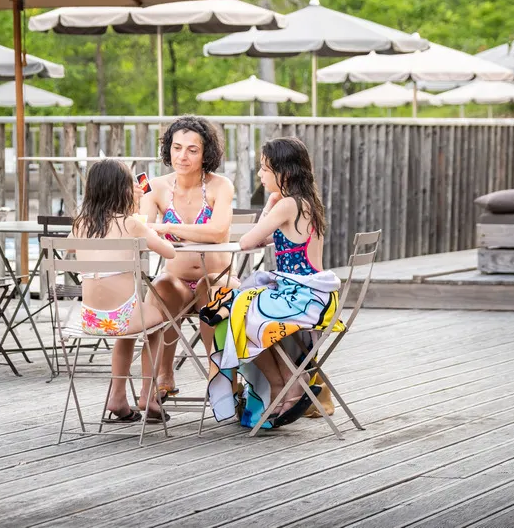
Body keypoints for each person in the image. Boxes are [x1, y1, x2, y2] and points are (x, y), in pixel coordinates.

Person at [200, 137, 342, 430]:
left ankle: (281, 382)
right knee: (242, 306)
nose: (260, 175)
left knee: (236, 311)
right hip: (315, 296)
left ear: (284, 173)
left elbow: (247, 241)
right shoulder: (307, 202)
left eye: (265, 169)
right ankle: (285, 381)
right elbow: (268, 239)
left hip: (301, 298)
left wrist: (268, 207)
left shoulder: (287, 204)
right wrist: (270, 210)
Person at [70, 159, 178, 423]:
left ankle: (118, 397)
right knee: (158, 322)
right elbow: (170, 252)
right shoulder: (131, 224)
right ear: (122, 190)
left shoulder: (80, 224)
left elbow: (68, 249)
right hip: (122, 317)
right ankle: (147, 396)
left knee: (132, 324)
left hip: (90, 318)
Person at [140, 115, 237, 398]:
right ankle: (163, 375)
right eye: (177, 147)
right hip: (178, 282)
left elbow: (218, 231)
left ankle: (218, 375)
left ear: (206, 153)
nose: (182, 156)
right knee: (161, 285)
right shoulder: (154, 187)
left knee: (211, 285)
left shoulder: (221, 185)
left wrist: (168, 228)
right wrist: (134, 204)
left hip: (218, 279)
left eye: (192, 150)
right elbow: (143, 229)